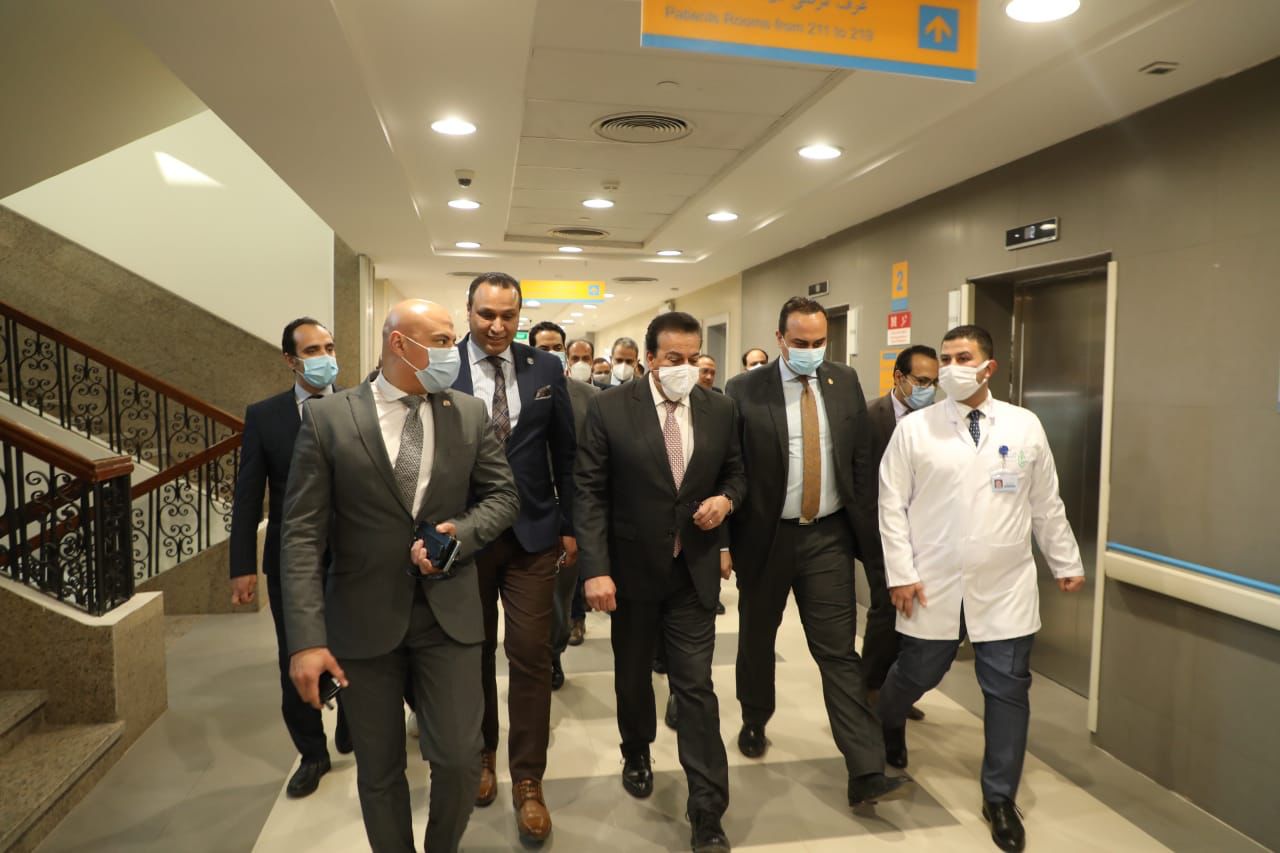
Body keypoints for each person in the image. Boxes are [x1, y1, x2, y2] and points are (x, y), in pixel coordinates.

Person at [281, 300, 519, 853]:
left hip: (448, 615)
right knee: (380, 769)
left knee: (460, 759)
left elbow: (503, 496)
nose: (452, 351)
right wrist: (307, 640)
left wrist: (459, 534)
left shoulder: (467, 413)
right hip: (363, 619)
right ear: (399, 344)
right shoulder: (329, 418)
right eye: (441, 341)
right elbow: (301, 536)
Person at [877, 324, 1086, 853]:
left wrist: (1065, 559)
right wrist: (900, 572)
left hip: (1005, 584)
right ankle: (889, 720)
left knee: (1007, 689)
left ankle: (999, 798)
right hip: (932, 579)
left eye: (962, 357)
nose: (951, 367)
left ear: (988, 367)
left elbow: (1045, 502)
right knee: (919, 671)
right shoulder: (916, 429)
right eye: (945, 357)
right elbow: (890, 505)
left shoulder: (1024, 424)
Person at [725, 296, 910, 809]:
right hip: (766, 538)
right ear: (779, 339)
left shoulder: (843, 381)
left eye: (819, 341)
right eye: (800, 342)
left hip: (828, 536)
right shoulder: (744, 389)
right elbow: (731, 466)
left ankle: (865, 768)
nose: (811, 350)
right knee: (757, 639)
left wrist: (869, 537)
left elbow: (858, 460)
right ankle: (755, 716)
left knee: (837, 651)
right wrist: (724, 543)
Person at [577, 311, 745, 853]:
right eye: (674, 358)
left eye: (693, 358)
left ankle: (707, 810)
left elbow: (736, 472)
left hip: (692, 570)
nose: (685, 368)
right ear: (650, 359)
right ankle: (636, 751)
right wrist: (596, 569)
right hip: (631, 571)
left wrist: (726, 501)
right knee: (632, 676)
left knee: (695, 687)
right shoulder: (609, 408)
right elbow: (589, 492)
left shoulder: (719, 408)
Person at [451, 274, 577, 842]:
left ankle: (528, 778)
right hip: (465, 535)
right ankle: (482, 754)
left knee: (530, 652)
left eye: (509, 315)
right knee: (472, 651)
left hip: (533, 534)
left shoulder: (545, 368)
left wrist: (571, 527)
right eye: (487, 314)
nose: (498, 326)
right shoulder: (443, 366)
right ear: (468, 311)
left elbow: (566, 453)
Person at [229, 317, 348, 798]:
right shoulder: (266, 416)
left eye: (329, 347)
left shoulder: (356, 405)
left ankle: (353, 724)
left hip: (351, 555)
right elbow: (247, 495)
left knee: (356, 644)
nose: (325, 358)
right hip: (290, 558)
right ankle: (313, 753)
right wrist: (241, 565)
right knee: (296, 653)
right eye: (313, 350)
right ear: (290, 360)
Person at [862, 344, 940, 722]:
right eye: (921, 381)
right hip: (880, 532)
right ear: (899, 378)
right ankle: (871, 688)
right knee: (885, 610)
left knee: (912, 616)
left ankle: (897, 688)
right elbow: (859, 481)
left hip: (925, 536)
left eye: (934, 383)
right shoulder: (868, 418)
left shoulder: (937, 422)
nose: (928, 390)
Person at [530, 320, 598, 689]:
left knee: (561, 594)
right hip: (526, 507)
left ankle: (553, 654)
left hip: (571, 509)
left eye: (557, 347)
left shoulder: (589, 397)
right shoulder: (518, 392)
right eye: (544, 348)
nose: (552, 354)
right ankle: (534, 658)